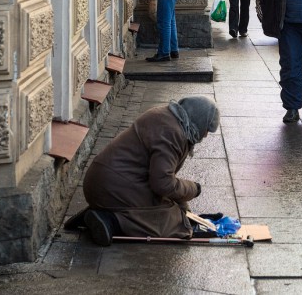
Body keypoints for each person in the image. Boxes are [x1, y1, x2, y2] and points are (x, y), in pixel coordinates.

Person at [82, 96, 220, 246]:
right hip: (113, 186)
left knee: (174, 209)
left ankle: (104, 214)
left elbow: (163, 174)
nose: (205, 135)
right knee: (172, 223)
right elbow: (163, 184)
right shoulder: (173, 133)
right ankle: (110, 222)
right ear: (198, 120)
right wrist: (193, 189)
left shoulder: (166, 115)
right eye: (206, 129)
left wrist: (184, 206)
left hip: (103, 181)